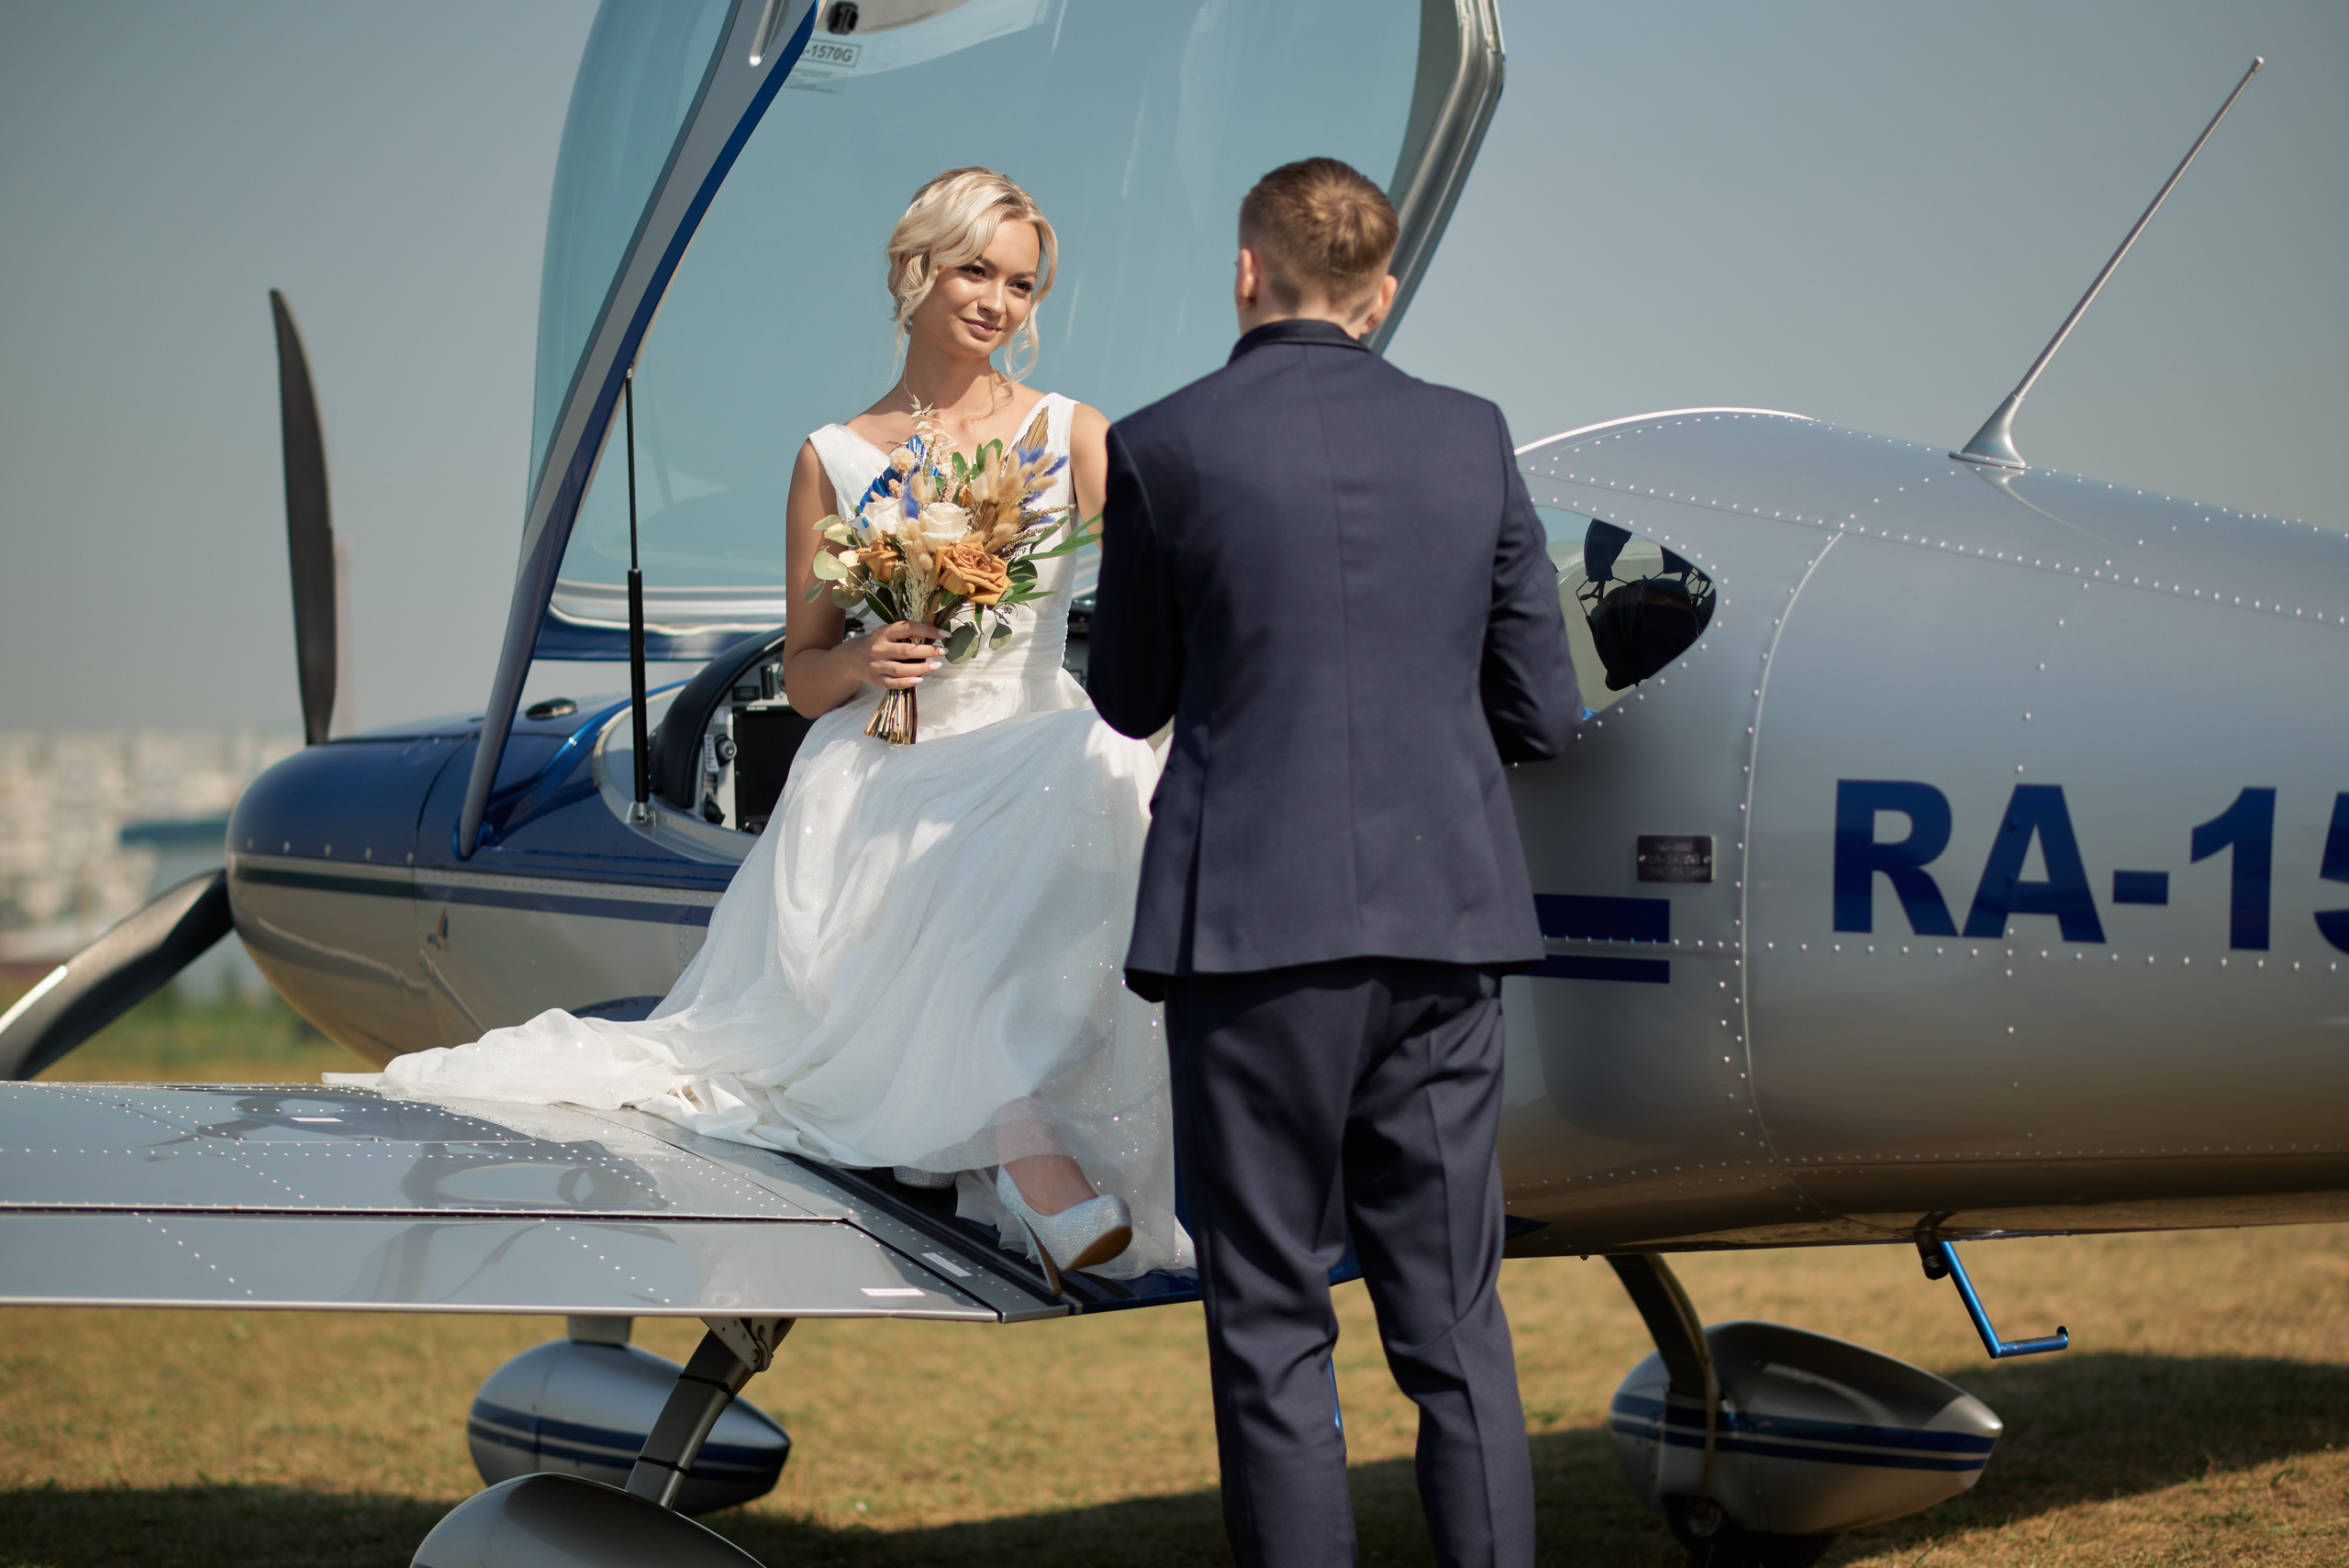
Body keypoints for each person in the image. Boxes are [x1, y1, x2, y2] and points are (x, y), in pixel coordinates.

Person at [340, 169, 1189, 1284]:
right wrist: (867, 660)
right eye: (975, 270)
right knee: (964, 854)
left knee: (1093, 762)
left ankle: (1024, 1147)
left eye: (1021, 283)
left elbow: (1167, 579)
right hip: (894, 761)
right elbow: (803, 676)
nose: (998, 301)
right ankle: (1026, 1151)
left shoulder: (1071, 432)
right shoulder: (832, 456)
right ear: (916, 269)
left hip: (1036, 742)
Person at [1086, 158, 1583, 1567]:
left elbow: (1129, 695)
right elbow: (1544, 713)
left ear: (1248, 272)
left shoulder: (1163, 444)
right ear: (1383, 290)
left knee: (1272, 1328)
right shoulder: (1473, 436)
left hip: (1250, 935)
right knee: (1454, 1326)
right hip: (1445, 928)